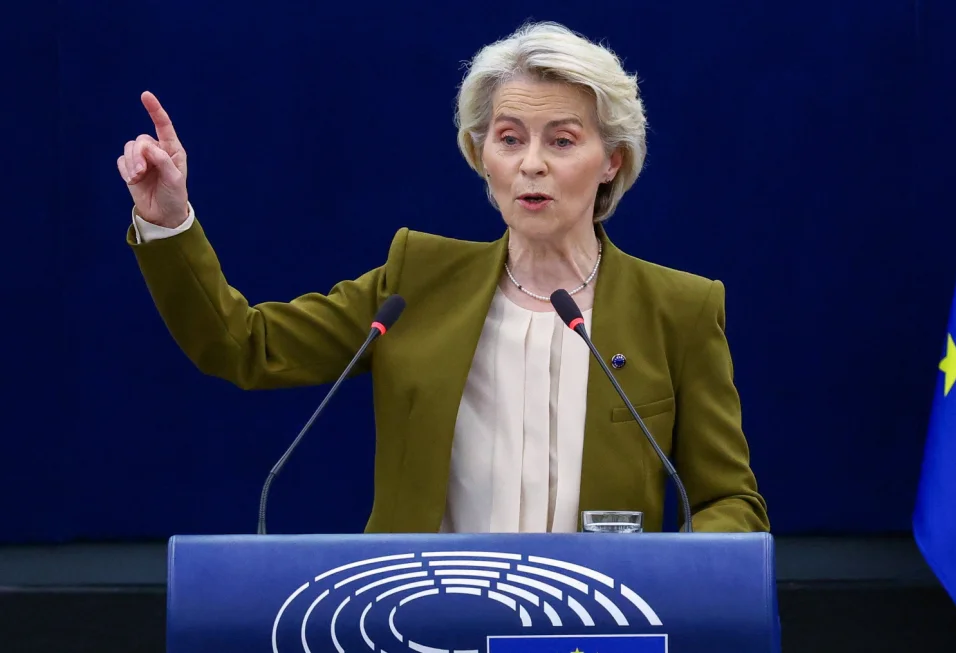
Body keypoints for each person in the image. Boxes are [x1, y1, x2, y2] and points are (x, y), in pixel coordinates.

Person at [117, 21, 768, 534]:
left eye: (562, 141)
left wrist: (682, 569)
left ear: (611, 161)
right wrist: (170, 221)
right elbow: (243, 345)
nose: (531, 164)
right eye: (509, 138)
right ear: (480, 154)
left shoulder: (677, 307)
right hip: (420, 630)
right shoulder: (416, 283)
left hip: (586, 631)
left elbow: (728, 499)